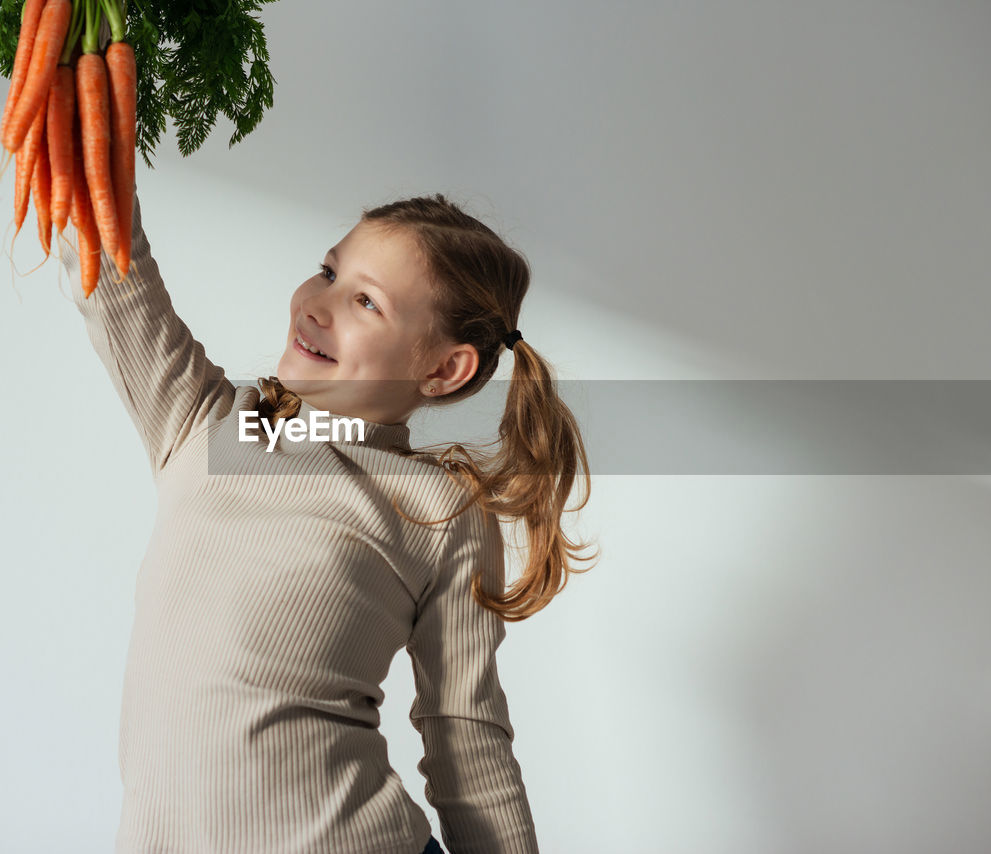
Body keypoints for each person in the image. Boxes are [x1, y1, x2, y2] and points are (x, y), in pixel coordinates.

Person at [57, 186, 598, 853]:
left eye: (365, 301)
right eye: (328, 271)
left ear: (444, 369)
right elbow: (110, 267)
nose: (316, 304)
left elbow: (466, 738)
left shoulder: (439, 511)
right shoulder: (204, 424)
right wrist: (81, 113)